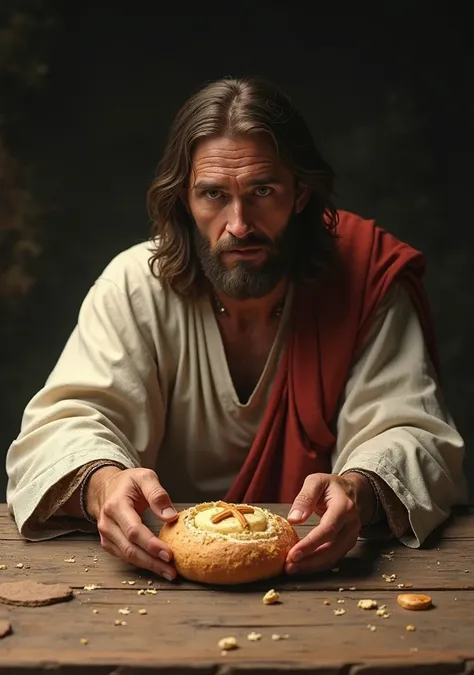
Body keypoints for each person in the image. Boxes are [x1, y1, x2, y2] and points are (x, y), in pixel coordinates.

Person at [5, 76, 467, 583]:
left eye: (262, 191)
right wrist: (102, 486)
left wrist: (360, 490)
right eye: (213, 195)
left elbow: (412, 430)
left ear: (300, 194)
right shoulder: (134, 286)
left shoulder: (365, 281)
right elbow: (63, 425)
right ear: (184, 200)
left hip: (322, 577)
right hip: (157, 580)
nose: (239, 223)